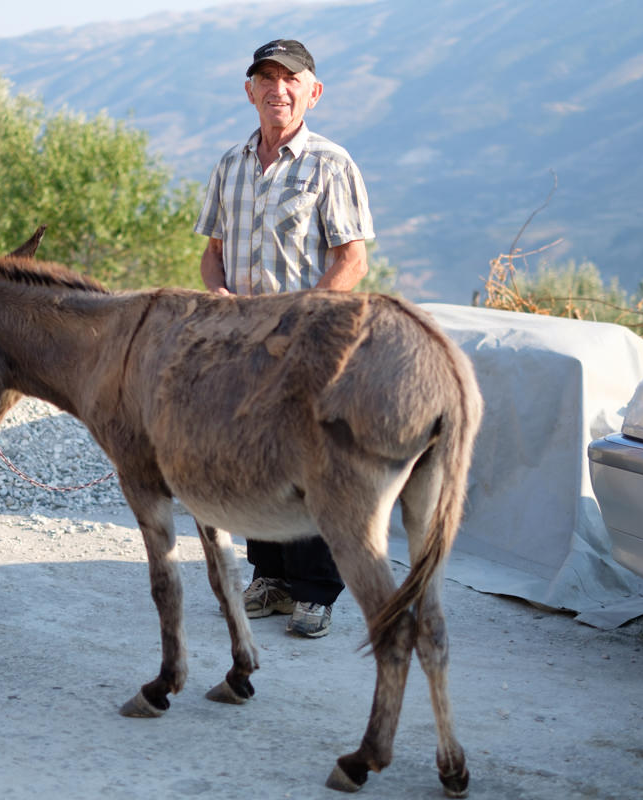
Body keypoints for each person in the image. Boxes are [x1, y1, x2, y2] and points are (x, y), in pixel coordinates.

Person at [194, 38, 375, 638]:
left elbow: (352, 259)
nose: (278, 88)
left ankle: (317, 591)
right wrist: (219, 297)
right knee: (253, 460)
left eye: (290, 79)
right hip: (242, 342)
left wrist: (308, 318)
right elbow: (212, 254)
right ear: (250, 91)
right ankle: (268, 577)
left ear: (313, 92)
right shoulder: (231, 164)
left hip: (305, 341)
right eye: (266, 78)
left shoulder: (331, 164)